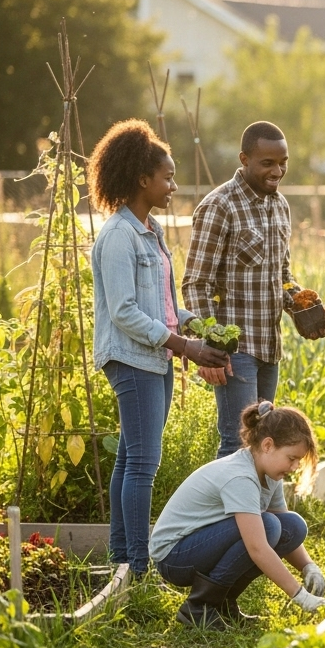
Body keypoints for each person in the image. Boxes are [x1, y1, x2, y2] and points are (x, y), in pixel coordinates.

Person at [87, 120, 230, 577]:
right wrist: (185, 346)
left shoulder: (150, 230)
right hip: (132, 359)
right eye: (167, 178)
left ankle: (120, 559)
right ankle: (138, 565)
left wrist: (195, 325)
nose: (173, 186)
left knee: (130, 458)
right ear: (141, 179)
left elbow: (162, 303)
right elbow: (124, 312)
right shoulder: (118, 235)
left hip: (155, 356)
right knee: (144, 464)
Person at [182, 121, 323, 460]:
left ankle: (257, 499)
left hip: (269, 347)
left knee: (264, 444)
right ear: (244, 159)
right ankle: (225, 499)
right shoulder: (220, 206)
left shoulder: (280, 206)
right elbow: (196, 283)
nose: (278, 171)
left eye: (283, 162)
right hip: (236, 351)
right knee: (237, 445)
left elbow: (282, 275)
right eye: (268, 163)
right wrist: (210, 345)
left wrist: (301, 303)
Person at [150, 402, 325, 627]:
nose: (295, 466)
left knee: (292, 526)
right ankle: (200, 607)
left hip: (198, 546)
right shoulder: (241, 477)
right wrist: (301, 596)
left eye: (299, 460)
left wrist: (308, 566)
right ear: (268, 445)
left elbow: (285, 528)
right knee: (268, 527)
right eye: (291, 458)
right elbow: (257, 547)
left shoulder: (269, 473)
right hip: (174, 556)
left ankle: (224, 603)